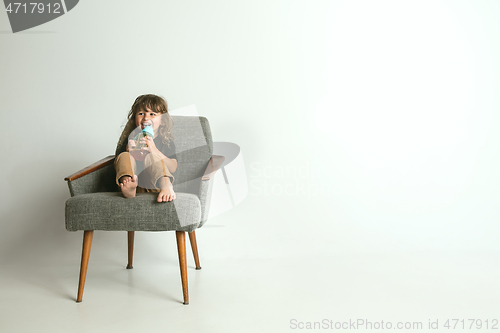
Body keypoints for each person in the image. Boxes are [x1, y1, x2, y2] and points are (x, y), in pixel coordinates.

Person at [114, 94, 177, 202]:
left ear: (162, 121)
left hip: (155, 186)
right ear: (135, 118)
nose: (146, 118)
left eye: (152, 114)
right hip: (135, 187)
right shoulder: (130, 139)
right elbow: (118, 163)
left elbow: (173, 167)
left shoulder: (165, 141)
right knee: (124, 156)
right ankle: (127, 185)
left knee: (151, 156)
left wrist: (155, 151)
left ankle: (166, 186)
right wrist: (128, 151)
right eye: (141, 113)